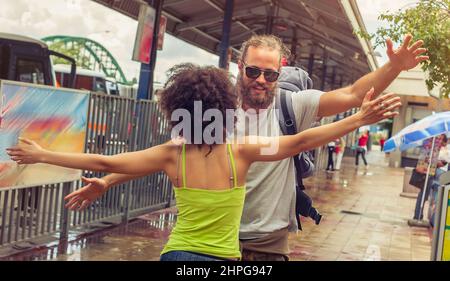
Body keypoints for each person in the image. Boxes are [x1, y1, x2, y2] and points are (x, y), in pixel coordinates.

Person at [46, 33, 426, 261]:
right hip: (211, 245)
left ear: (281, 71)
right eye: (253, 70)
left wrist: (393, 67)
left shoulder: (294, 105)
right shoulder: (211, 108)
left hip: (268, 241)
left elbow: (352, 93)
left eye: (271, 73)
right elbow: (168, 155)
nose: (261, 79)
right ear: (239, 65)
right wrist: (107, 182)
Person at [413, 134, 448, 221]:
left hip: (436, 174)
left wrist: (435, 162)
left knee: (432, 196)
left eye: (441, 139)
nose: (439, 140)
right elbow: (424, 159)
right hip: (428, 173)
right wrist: (433, 161)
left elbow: (443, 162)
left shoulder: (442, 148)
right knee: (423, 194)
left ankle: (428, 217)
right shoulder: (429, 146)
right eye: (438, 138)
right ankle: (418, 215)